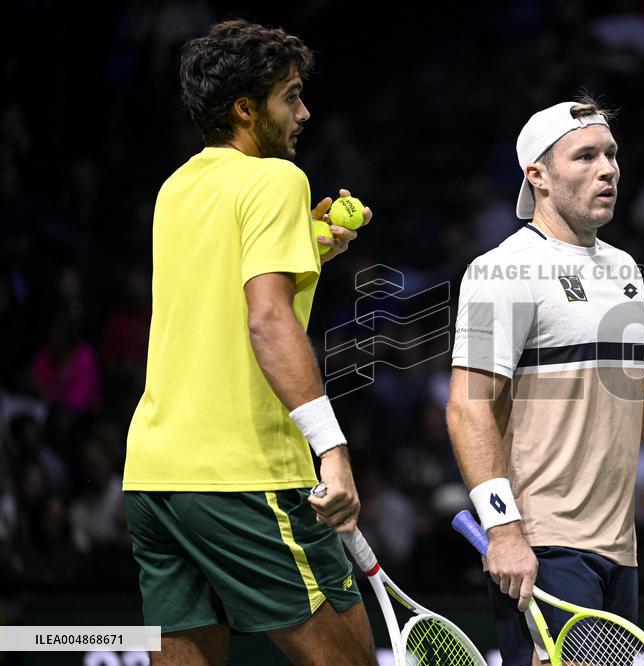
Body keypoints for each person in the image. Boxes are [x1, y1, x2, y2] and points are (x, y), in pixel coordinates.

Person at [447, 98, 644, 665]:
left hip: (619, 549)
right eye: (585, 157)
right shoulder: (499, 271)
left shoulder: (624, 269)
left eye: (611, 154)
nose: (608, 169)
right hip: (543, 542)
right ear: (538, 175)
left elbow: (629, 390)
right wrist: (503, 530)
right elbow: (468, 406)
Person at [122, 20, 375, 666]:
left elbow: (217, 293)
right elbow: (265, 319)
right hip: (245, 474)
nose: (304, 112)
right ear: (245, 109)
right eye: (291, 96)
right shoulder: (277, 180)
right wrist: (332, 448)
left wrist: (307, 244)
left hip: (156, 474)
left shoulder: (176, 187)